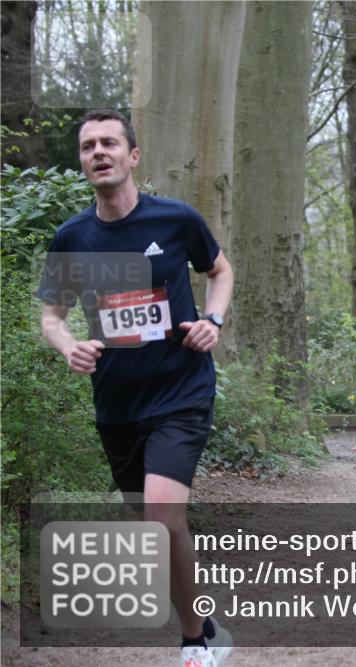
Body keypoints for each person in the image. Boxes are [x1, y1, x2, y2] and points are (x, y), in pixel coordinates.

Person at [37, 109, 235, 667]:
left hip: (182, 391)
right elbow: (52, 316)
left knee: (160, 514)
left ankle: (194, 641)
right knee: (156, 530)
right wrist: (67, 343)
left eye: (108, 143)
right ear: (82, 161)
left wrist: (212, 322)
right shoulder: (73, 237)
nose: (98, 152)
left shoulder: (174, 220)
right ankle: (202, 625)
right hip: (117, 403)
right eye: (87, 146)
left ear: (133, 156)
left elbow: (221, 270)